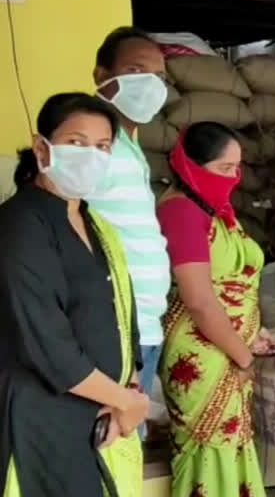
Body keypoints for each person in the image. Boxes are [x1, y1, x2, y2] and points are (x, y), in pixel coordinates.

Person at [0, 93, 149, 496]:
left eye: (102, 147)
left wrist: (130, 391)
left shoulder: (93, 223)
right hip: (44, 417)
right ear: (41, 148)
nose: (91, 156)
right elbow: (45, 341)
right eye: (77, 143)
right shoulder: (20, 226)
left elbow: (122, 309)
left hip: (100, 413)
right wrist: (124, 400)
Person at [156, 122, 275, 497]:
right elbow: (200, 301)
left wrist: (251, 337)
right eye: (225, 168)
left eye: (238, 168)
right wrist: (242, 356)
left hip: (228, 347)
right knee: (209, 452)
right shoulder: (181, 212)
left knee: (230, 447)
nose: (235, 177)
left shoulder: (213, 209)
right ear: (191, 165)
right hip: (205, 353)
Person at [87, 27, 171, 416]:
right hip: (111, 329)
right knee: (109, 452)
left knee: (125, 452)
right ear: (101, 76)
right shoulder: (91, 144)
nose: (150, 86)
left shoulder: (129, 145)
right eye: (136, 70)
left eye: (159, 78)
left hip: (143, 327)